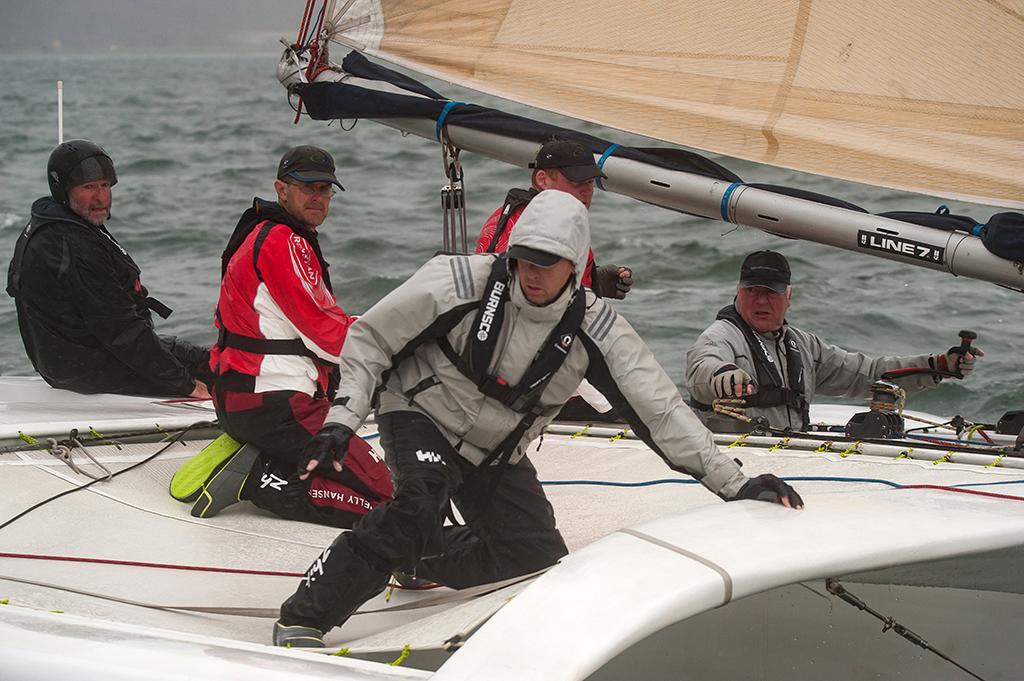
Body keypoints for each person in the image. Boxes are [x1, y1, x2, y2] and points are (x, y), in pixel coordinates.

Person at [270, 190, 803, 648]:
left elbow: (660, 411)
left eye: (549, 262)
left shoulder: (599, 327)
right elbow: (370, 340)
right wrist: (342, 419)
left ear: (575, 265)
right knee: (418, 499)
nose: (534, 272)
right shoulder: (457, 282)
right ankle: (304, 615)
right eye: (525, 258)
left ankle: (417, 556)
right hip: (421, 411)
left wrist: (736, 484)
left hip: (496, 448)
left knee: (534, 559)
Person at [181, 145, 393, 527]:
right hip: (276, 406)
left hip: (241, 401)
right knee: (388, 489)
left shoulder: (264, 234)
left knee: (358, 467)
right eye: (307, 186)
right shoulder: (283, 241)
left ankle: (266, 462)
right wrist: (400, 341)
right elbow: (328, 337)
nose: (317, 196)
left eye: (325, 189)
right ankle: (262, 480)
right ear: (281, 190)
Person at [685, 250, 984, 432]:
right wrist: (721, 376)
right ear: (738, 292)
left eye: (771, 292)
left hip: (786, 457)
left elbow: (869, 374)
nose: (761, 300)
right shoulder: (722, 336)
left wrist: (938, 366)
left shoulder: (802, 346)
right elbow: (703, 365)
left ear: (788, 297)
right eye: (753, 291)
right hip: (735, 458)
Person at [6, 139, 211, 397]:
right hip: (90, 370)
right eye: (88, 187)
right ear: (63, 190)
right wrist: (187, 385)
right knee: (223, 378)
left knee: (212, 360)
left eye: (105, 185)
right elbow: (121, 329)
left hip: (73, 360)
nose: (100, 197)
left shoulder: (51, 225)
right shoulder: (72, 245)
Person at [476, 138, 633, 300]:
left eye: (590, 181)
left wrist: (595, 283)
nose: (586, 191)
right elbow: (524, 300)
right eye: (576, 181)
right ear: (542, 180)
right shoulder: (532, 229)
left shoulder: (540, 218)